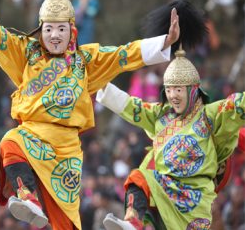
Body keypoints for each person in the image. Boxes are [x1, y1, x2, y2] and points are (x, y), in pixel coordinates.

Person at [0, 0, 178, 229]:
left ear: (71, 30)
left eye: (61, 29)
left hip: (66, 149)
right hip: (33, 136)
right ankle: (27, 195)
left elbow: (123, 54)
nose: (54, 35)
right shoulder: (26, 52)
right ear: (41, 30)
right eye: (49, 29)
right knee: (10, 141)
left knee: (67, 223)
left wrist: (166, 41)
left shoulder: (86, 61)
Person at [97, 39, 244, 228]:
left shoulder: (211, 115)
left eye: (178, 89)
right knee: (139, 178)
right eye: (169, 89)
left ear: (193, 89)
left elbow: (237, 104)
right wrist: (100, 84)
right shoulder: (161, 115)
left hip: (194, 199)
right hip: (164, 189)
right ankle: (133, 221)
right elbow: (133, 106)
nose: (173, 95)